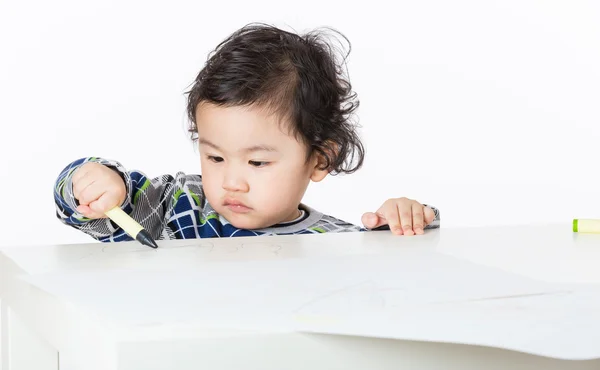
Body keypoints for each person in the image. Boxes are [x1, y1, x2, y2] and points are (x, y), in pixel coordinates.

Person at [54, 23, 440, 242]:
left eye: (257, 161)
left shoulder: (333, 242)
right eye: (215, 157)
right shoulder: (177, 207)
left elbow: (397, 281)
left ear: (320, 159)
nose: (231, 181)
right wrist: (89, 183)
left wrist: (406, 224)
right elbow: (92, 215)